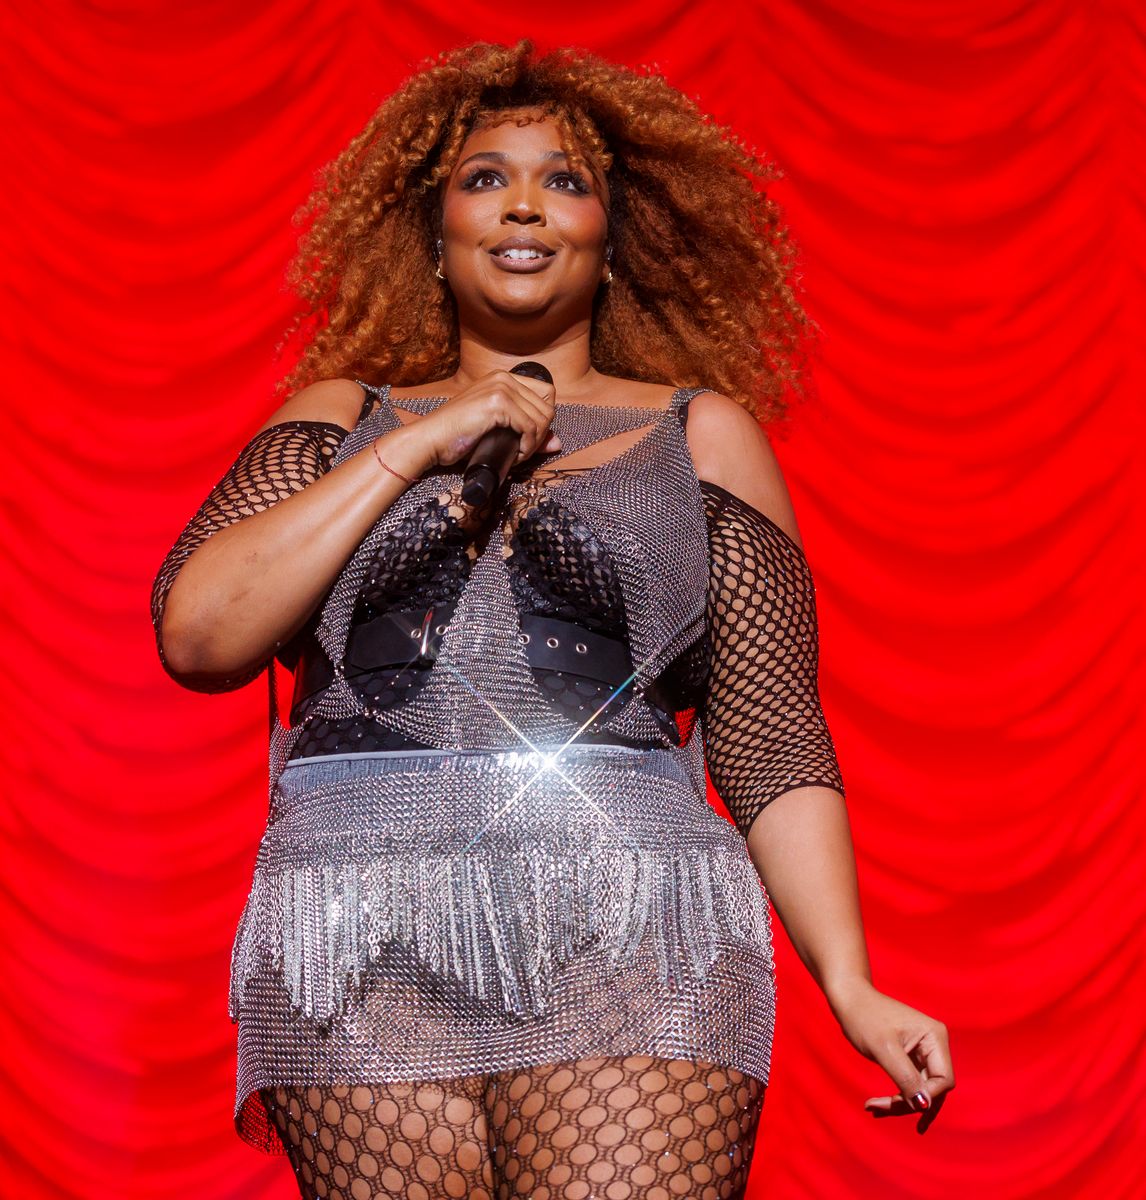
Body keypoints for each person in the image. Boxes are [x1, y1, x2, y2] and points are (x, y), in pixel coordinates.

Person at [152, 38, 954, 1200]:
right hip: (357, 923)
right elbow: (200, 636)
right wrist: (422, 441)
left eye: (565, 181)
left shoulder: (703, 433)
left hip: (637, 920)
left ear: (612, 239)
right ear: (432, 233)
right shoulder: (342, 417)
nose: (524, 203)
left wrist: (852, 983)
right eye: (484, 178)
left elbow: (771, 731)